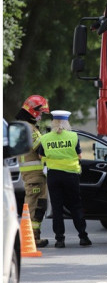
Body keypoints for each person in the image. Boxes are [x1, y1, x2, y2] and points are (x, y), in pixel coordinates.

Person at [38, 110, 91, 248]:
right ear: (66, 122)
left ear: (53, 122)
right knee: (75, 205)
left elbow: (41, 156)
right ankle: (83, 237)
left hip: (54, 176)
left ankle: (59, 240)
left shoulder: (45, 138)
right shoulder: (73, 136)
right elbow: (79, 156)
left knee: (57, 208)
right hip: (71, 175)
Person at [15, 95, 50, 247]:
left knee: (37, 205)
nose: (41, 115)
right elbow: (41, 148)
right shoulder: (30, 128)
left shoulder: (22, 125)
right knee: (35, 205)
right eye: (40, 112)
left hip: (32, 175)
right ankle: (30, 238)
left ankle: (34, 237)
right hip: (35, 175)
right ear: (33, 111)